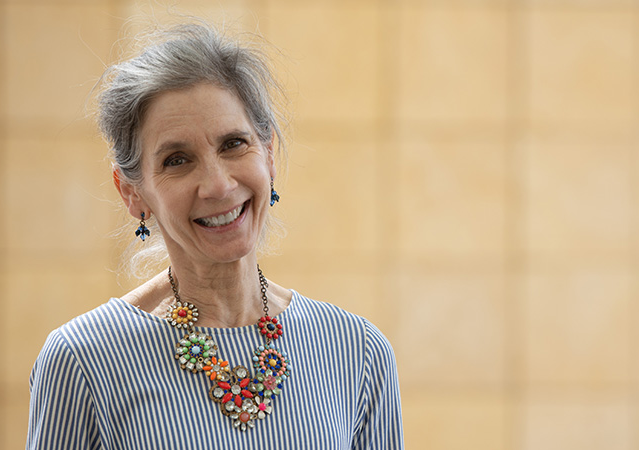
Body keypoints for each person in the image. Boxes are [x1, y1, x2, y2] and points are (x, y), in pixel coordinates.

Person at [26, 22, 403, 449]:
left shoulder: (358, 352)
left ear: (269, 155)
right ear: (132, 194)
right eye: (177, 160)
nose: (219, 186)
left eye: (233, 144)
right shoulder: (82, 359)